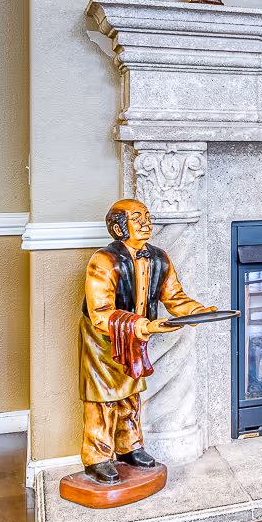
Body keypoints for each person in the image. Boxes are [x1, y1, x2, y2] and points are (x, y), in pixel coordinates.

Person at [78, 198, 215, 483]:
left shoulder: (159, 257)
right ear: (118, 228)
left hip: (135, 334)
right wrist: (143, 325)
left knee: (131, 392)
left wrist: (198, 312)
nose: (145, 222)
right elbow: (101, 312)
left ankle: (129, 447)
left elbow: (175, 298)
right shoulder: (103, 261)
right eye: (137, 218)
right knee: (103, 397)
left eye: (146, 216)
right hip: (102, 336)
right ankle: (97, 457)